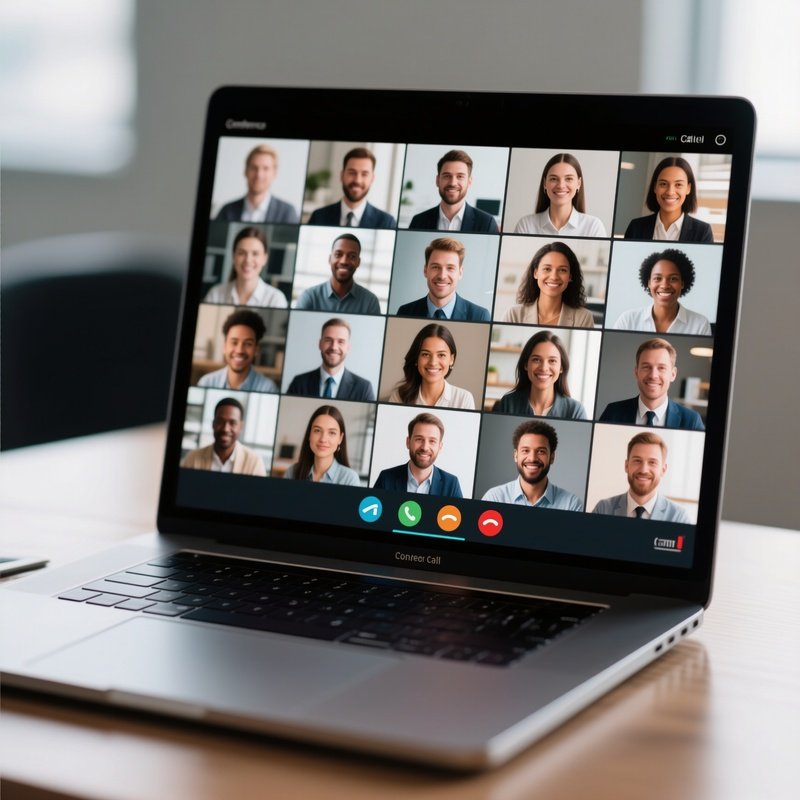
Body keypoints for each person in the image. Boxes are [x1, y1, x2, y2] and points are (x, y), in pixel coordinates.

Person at [599, 338, 704, 430]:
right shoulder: (613, 413)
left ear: (673, 374)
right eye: (646, 367)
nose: (653, 375)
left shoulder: (692, 421)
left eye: (661, 368)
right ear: (636, 372)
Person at [481, 420, 583, 510]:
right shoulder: (493, 498)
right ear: (515, 456)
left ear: (552, 457)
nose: (532, 458)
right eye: (525, 450)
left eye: (541, 451)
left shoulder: (572, 505)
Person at [591, 431, 690, 522]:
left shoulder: (679, 517)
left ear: (663, 470)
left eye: (652, 462)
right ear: (626, 466)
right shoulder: (603, 509)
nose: (643, 470)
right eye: (637, 461)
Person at [613, 248, 712, 335]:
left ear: (682, 283)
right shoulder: (628, 321)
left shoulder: (700, 324)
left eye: (673, 279)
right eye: (657, 278)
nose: (665, 285)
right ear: (649, 283)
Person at [492, 330, 587, 419]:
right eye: (536, 360)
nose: (544, 368)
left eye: (552, 361)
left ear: (561, 367)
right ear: (526, 365)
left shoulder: (575, 411)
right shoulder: (507, 404)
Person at [502, 241, 595, 327]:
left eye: (562, 270)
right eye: (547, 269)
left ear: (570, 276)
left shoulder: (584, 318)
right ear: (536, 273)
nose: (554, 277)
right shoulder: (513, 315)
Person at [396, 237, 490, 321]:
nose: (442, 276)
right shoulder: (404, 312)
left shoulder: (480, 316)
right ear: (425, 270)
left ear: (460, 273)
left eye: (450, 268)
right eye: (436, 267)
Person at [514, 153, 606, 237]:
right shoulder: (525, 226)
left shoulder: (593, 227)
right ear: (545, 183)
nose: (561, 186)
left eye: (569, 179)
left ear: (578, 183)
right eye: (554, 179)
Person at [624, 156, 714, 242]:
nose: (670, 192)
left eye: (678, 185)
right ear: (655, 187)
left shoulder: (702, 232)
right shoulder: (636, 227)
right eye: (663, 184)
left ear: (688, 188)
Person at [372, 412, 463, 496]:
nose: (425, 447)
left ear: (440, 447)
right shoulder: (386, 478)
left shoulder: (452, 484)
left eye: (432, 441)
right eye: (419, 439)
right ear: (408, 442)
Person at [409, 149, 499, 233]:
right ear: (437, 180)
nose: (452, 183)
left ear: (469, 181)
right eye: (447, 176)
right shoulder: (418, 221)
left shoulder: (487, 223)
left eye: (460, 176)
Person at [388, 323, 475, 409]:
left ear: (451, 359)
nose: (433, 363)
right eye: (426, 354)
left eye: (441, 355)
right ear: (416, 358)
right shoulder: (398, 397)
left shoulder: (464, 400)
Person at [286, 317, 375, 401]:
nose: (334, 347)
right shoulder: (299, 383)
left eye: (341, 342)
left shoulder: (364, 388)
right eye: (328, 340)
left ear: (348, 347)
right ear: (320, 344)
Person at [307, 147, 396, 228]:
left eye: (364, 174)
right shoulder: (318, 217)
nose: (357, 180)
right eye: (352, 172)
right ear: (342, 175)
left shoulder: (387, 222)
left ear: (372, 179)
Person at [294, 234, 381, 314]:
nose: (344, 261)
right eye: (338, 254)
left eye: (352, 256)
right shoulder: (310, 297)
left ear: (358, 262)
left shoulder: (370, 302)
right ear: (329, 259)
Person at [204, 226, 288, 308]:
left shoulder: (276, 299)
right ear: (234, 256)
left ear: (265, 259)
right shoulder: (215, 295)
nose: (248, 260)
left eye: (255, 254)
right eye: (241, 253)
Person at [197, 309, 278, 392]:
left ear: (256, 349)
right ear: (224, 346)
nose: (239, 350)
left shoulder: (267, 388)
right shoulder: (207, 383)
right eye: (234, 342)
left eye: (248, 344)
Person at [181, 397, 266, 476]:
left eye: (232, 423)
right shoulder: (192, 458)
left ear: (241, 427)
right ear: (213, 424)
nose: (225, 429)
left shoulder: (254, 462)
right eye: (220, 421)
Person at [215, 144, 299, 224]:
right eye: (254, 168)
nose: (259, 175)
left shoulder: (287, 213)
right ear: (245, 171)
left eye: (265, 168)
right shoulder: (227, 211)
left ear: (274, 173)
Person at [283, 405, 360, 485]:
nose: (323, 439)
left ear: (340, 438)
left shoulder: (350, 479)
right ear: (309, 434)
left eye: (332, 433)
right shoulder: (292, 472)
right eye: (317, 430)